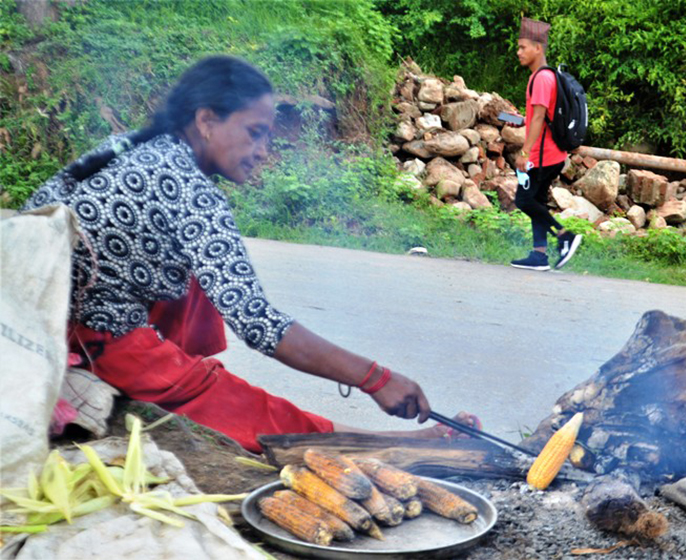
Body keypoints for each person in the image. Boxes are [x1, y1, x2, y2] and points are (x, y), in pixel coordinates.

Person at [22, 55, 474, 452]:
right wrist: (376, 378)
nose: (262, 153)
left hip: (45, 307)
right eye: (254, 133)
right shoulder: (189, 190)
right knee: (236, 401)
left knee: (200, 275)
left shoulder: (135, 144)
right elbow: (260, 324)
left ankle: (175, 374)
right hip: (86, 333)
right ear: (206, 121)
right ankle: (385, 444)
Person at [511, 17, 582, 271]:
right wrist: (523, 121)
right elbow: (539, 115)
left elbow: (540, 116)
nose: (518, 52)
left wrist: (524, 152)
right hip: (552, 153)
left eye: (522, 47)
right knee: (536, 201)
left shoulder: (540, 78)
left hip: (542, 155)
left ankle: (565, 237)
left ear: (538, 48)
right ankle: (539, 255)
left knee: (524, 201)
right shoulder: (546, 76)